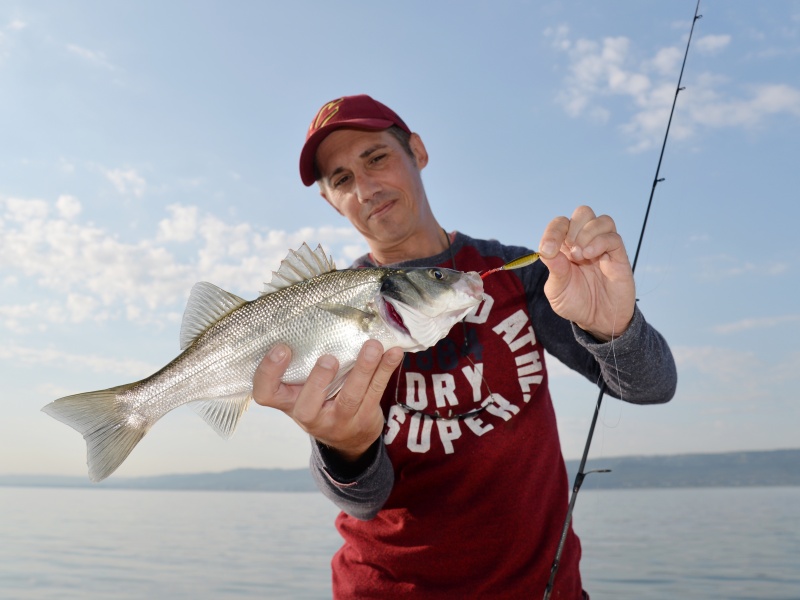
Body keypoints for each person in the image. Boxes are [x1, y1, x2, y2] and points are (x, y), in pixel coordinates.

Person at [253, 94, 677, 599]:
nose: (365, 188)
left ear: (418, 150)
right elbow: (365, 501)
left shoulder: (521, 275)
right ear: (330, 200)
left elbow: (653, 387)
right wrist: (345, 449)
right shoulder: (329, 315)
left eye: (377, 157)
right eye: (342, 179)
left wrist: (616, 329)